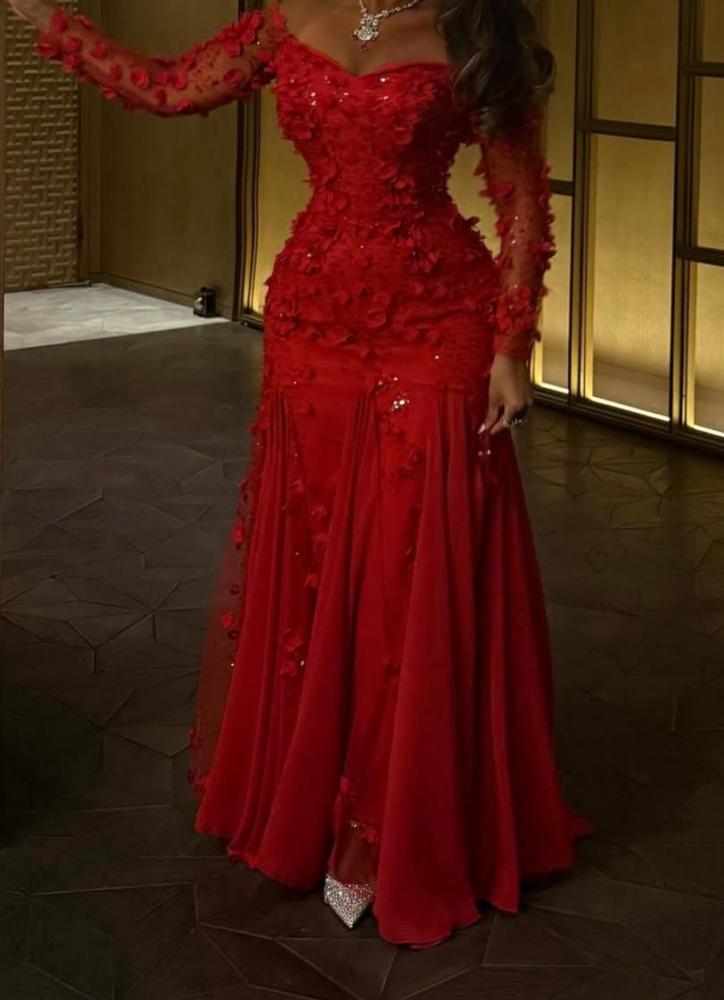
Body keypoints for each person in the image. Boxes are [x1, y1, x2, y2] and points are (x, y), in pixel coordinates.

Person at [9, 0, 593, 948]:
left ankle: (399, 828)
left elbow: (522, 197)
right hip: (312, 321)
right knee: (315, 558)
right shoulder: (285, 20)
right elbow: (168, 87)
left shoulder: (472, 27)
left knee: (411, 566)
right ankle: (317, 802)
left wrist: (511, 345)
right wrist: (56, 23)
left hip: (436, 323)